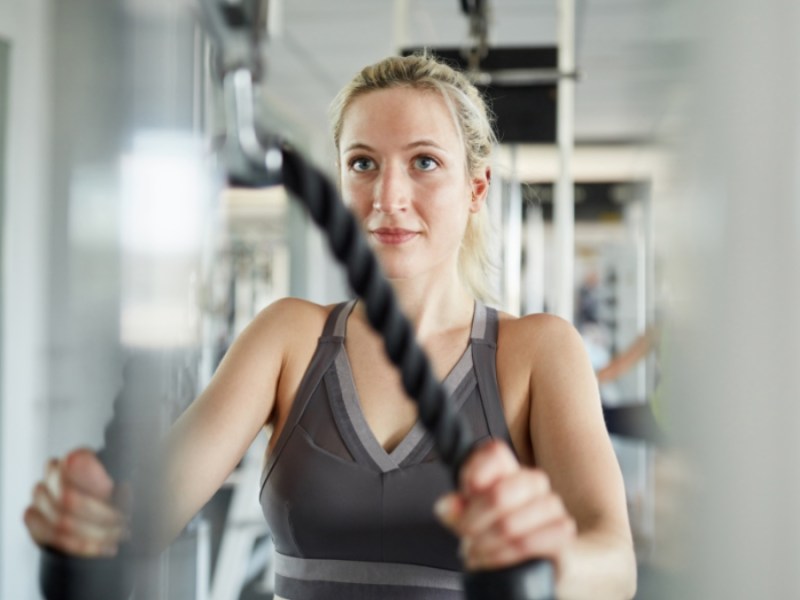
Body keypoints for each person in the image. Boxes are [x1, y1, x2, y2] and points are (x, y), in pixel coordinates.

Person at [24, 54, 636, 599]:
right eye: (363, 163)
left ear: (476, 187)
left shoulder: (536, 352)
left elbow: (614, 563)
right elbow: (145, 519)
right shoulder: (288, 339)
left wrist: (551, 564)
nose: (387, 196)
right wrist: (89, 524)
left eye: (424, 162)